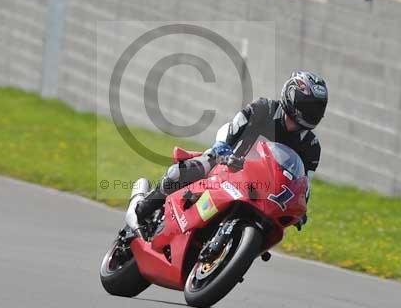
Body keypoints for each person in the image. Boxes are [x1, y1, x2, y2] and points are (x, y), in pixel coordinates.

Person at [132, 71, 327, 230]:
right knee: (185, 171)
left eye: (317, 108)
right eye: (308, 105)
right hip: (229, 165)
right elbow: (232, 128)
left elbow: (303, 184)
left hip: (261, 191)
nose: (312, 113)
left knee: (272, 227)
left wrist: (300, 209)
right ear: (292, 96)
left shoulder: (311, 147)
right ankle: (145, 207)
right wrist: (222, 150)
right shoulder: (264, 109)